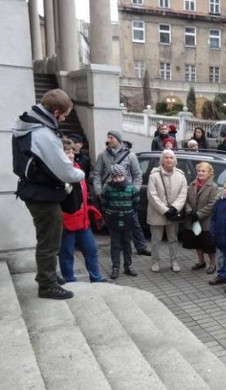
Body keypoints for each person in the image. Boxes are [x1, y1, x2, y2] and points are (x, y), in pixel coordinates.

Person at [12, 88, 85, 299]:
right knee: (50, 239)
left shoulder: (26, 126)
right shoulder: (43, 134)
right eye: (63, 115)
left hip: (33, 190)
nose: (63, 119)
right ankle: (47, 284)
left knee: (47, 236)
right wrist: (80, 173)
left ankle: (49, 275)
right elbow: (65, 170)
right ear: (55, 112)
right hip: (42, 194)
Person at [92, 130, 151, 256]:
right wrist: (99, 191)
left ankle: (141, 246)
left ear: (118, 139)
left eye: (111, 137)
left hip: (127, 196)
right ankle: (118, 246)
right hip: (110, 195)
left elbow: (137, 175)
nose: (109, 140)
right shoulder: (102, 155)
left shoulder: (130, 156)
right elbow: (97, 174)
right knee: (113, 223)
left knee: (133, 221)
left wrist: (134, 190)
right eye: (108, 137)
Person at [58, 138, 105, 283]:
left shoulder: (78, 169)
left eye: (72, 151)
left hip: (84, 222)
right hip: (67, 224)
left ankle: (96, 279)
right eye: (67, 152)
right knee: (67, 255)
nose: (71, 154)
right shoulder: (58, 173)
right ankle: (70, 281)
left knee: (91, 250)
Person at [146, 149, 188, 273]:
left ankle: (174, 261)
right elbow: (152, 196)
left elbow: (183, 194)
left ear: (175, 160)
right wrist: (165, 210)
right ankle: (155, 262)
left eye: (171, 157)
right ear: (162, 160)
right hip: (157, 213)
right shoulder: (153, 176)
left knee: (173, 239)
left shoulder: (181, 176)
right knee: (156, 240)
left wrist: (175, 208)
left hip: (173, 214)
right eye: (166, 157)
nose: (169, 160)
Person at [100, 165, 140, 279]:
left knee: (127, 243)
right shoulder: (108, 188)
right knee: (115, 245)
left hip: (128, 219)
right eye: (115, 177)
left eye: (120, 176)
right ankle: (115, 267)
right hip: (114, 220)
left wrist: (131, 213)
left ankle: (128, 266)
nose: (118, 179)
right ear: (112, 177)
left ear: (125, 176)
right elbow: (104, 203)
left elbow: (136, 202)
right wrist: (108, 213)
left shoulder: (131, 188)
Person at [183, 161, 219, 274]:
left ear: (209, 173)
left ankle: (213, 264)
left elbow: (212, 204)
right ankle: (201, 261)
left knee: (208, 244)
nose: (200, 173)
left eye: (203, 171)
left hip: (205, 221)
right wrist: (189, 211)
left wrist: (198, 214)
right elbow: (186, 200)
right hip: (193, 220)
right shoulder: (192, 184)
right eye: (199, 171)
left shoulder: (213, 187)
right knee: (197, 242)